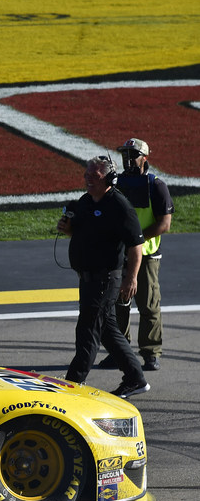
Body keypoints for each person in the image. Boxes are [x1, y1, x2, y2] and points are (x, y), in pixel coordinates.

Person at [57, 155, 149, 399]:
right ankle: (135, 378)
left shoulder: (120, 206)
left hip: (105, 279)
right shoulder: (85, 202)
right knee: (107, 330)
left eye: (93, 176)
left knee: (87, 331)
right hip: (87, 278)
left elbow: (136, 246)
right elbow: (81, 232)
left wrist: (132, 279)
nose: (87, 179)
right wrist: (67, 229)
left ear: (109, 178)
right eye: (86, 174)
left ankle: (72, 386)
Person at [98, 138, 173, 371]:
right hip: (120, 254)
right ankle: (120, 352)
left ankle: (151, 353)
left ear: (145, 158)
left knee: (148, 305)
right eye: (125, 154)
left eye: (133, 154)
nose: (128, 159)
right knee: (119, 303)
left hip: (147, 256)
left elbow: (164, 224)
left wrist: (136, 240)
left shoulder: (156, 185)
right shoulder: (117, 183)